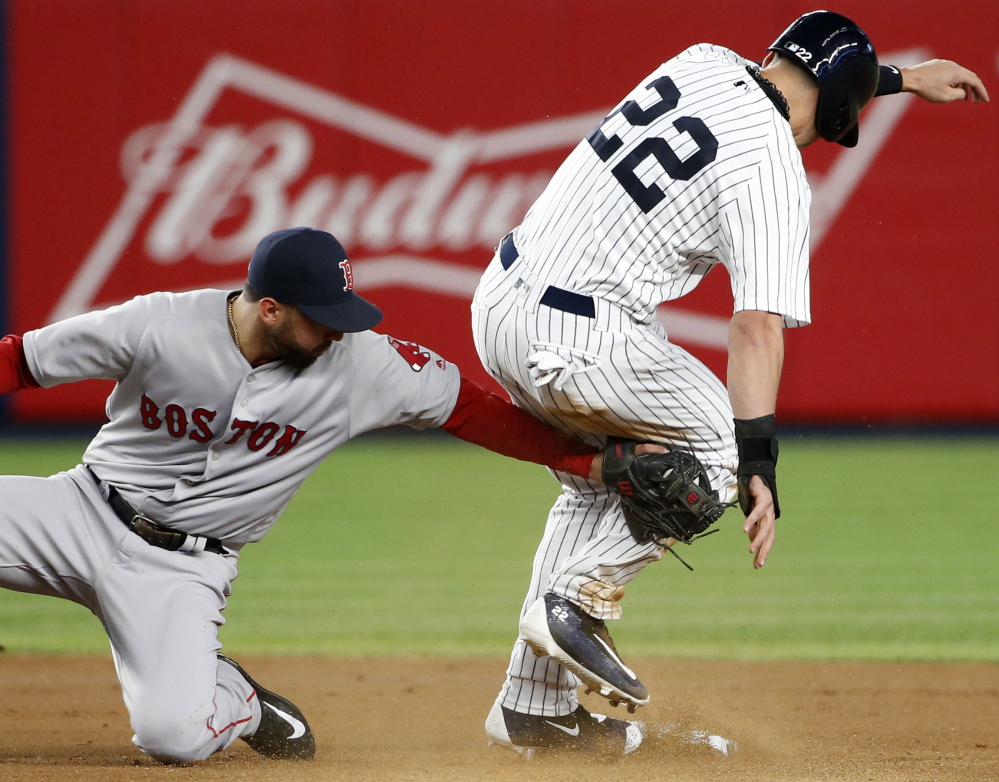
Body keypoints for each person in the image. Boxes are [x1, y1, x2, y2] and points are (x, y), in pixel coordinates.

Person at [472, 10, 988, 755]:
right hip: (579, 335)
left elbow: (816, 72)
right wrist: (757, 464)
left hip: (500, 303)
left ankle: (533, 709)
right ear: (841, 108)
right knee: (715, 446)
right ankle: (576, 599)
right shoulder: (773, 166)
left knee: (605, 483)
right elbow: (755, 330)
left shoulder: (703, 60)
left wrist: (902, 79)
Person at [0, 226, 643, 763]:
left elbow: (471, 412)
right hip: (80, 510)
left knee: (174, 737)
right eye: (322, 318)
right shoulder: (157, 324)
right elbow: (19, 361)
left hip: (181, 569)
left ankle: (240, 700)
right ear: (270, 309)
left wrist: (592, 461)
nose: (339, 332)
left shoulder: (361, 363)